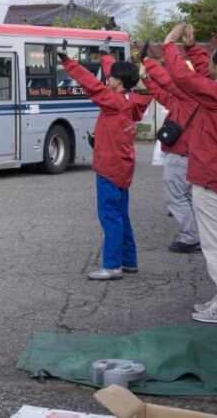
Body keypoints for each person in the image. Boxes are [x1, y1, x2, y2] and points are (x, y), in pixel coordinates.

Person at [161, 23, 217, 324]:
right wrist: (191, 47)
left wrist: (169, 44)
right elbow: (202, 75)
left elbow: (184, 77)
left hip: (212, 177)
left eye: (212, 59)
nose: (207, 63)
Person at [59, 39, 150, 281]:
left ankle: (112, 266)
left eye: (111, 77)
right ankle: (129, 261)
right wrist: (104, 55)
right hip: (123, 165)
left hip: (109, 167)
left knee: (109, 216)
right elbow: (113, 75)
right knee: (121, 214)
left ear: (119, 82)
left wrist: (68, 62)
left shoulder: (113, 102)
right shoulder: (130, 101)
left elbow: (91, 85)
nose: (107, 79)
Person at [138, 27, 210, 254]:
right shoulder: (198, 95)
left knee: (176, 198)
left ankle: (190, 238)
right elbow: (166, 95)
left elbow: (169, 82)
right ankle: (198, 234)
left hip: (180, 154)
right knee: (187, 196)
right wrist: (147, 79)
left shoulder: (190, 92)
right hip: (190, 154)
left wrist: (149, 62)